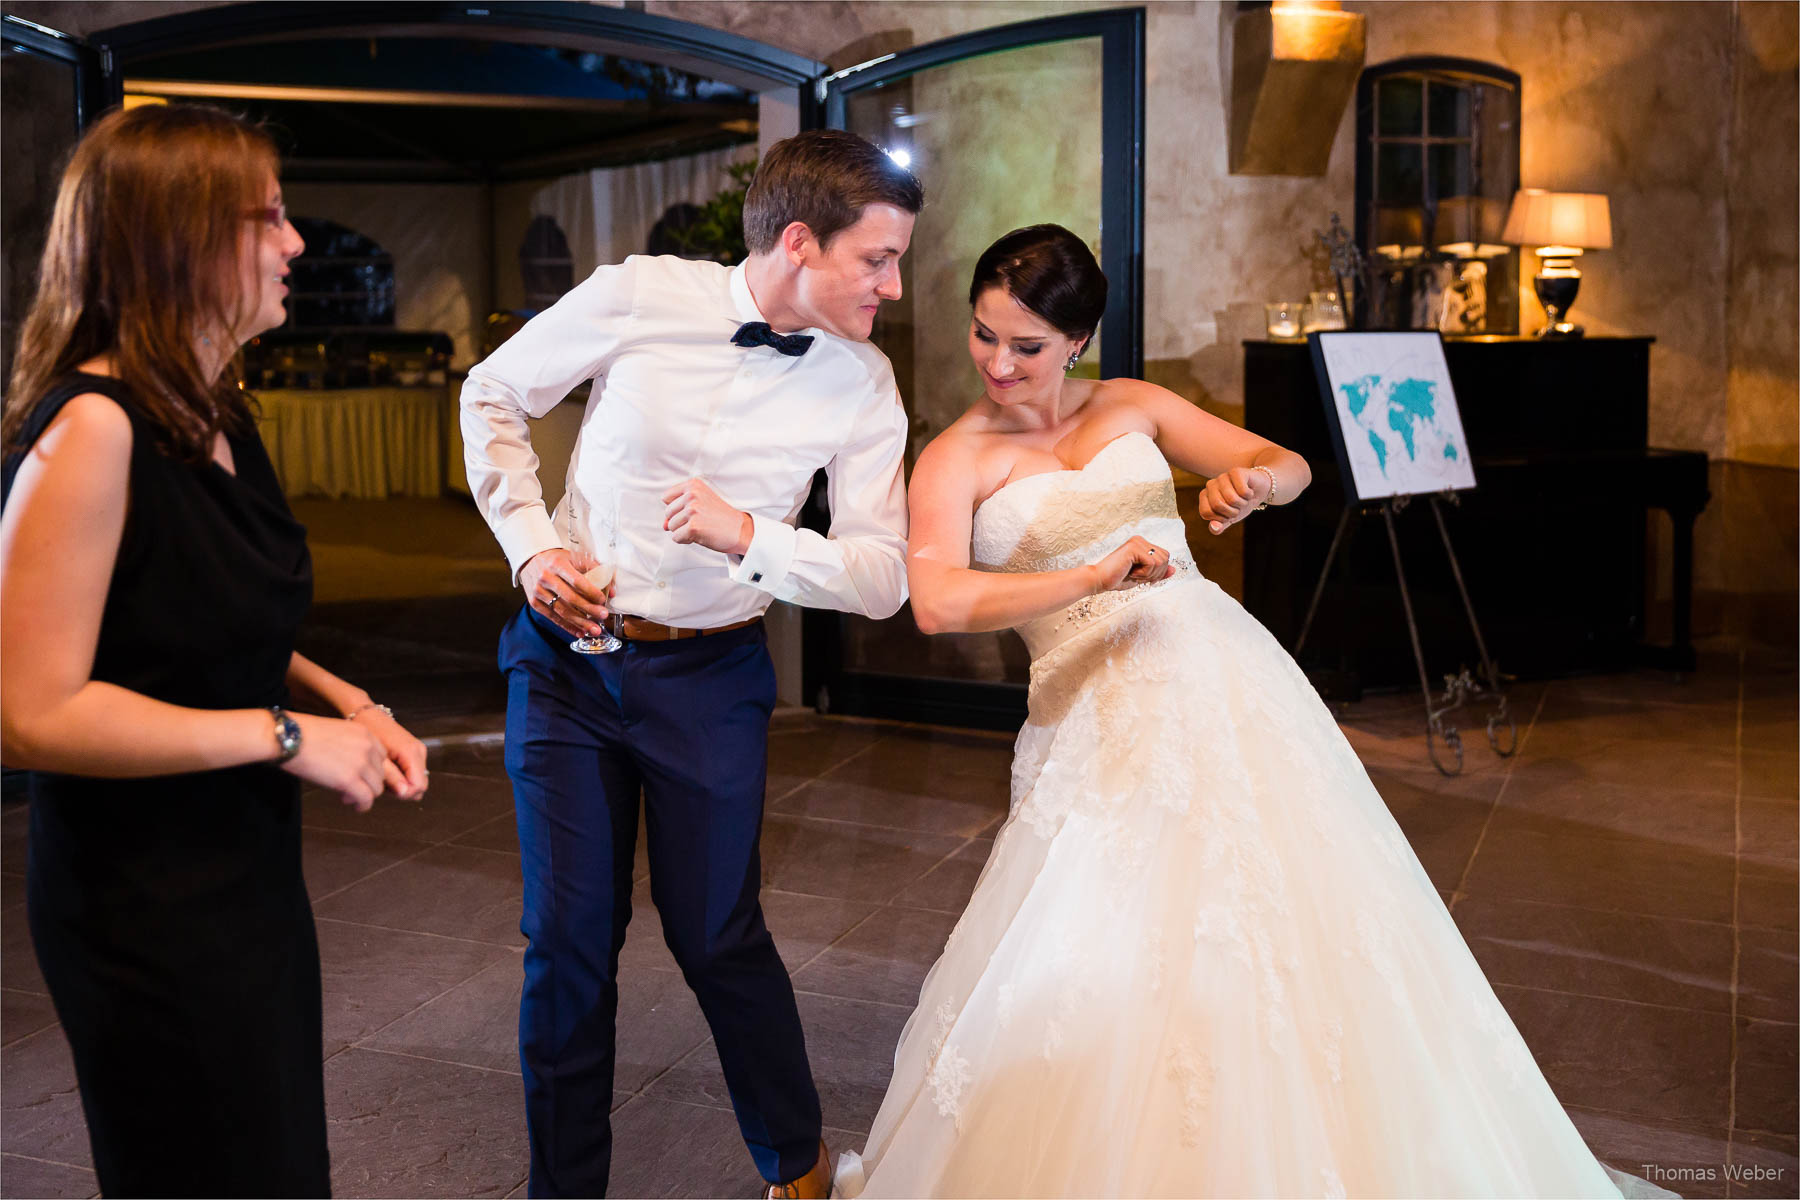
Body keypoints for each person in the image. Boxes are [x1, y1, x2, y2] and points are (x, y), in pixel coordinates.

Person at [835, 225, 1671, 1198]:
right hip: (1093, 712)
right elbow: (937, 603)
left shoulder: (1132, 403)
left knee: (1282, 910)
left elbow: (1290, 462)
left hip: (1223, 676)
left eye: (1027, 345)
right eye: (985, 336)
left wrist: (1255, 484)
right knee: (1104, 934)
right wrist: (1091, 574)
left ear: (1081, 339)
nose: (1000, 364)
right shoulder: (957, 456)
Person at [459, 130, 921, 1199]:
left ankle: (795, 1165)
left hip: (711, 676)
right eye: (878, 260)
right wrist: (530, 547)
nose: (893, 287)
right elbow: (492, 392)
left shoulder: (864, 382)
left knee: (717, 934)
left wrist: (748, 537)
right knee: (568, 944)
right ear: (800, 241)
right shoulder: (637, 295)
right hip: (566, 664)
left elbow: (881, 576)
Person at [0, 104, 429, 1196]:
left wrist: (349, 701)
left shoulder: (215, 408)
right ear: (177, 239)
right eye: (270, 217)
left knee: (278, 1159)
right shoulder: (92, 429)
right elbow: (29, 713)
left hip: (243, 870)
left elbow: (211, 615)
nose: (296, 242)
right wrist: (287, 738)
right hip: (142, 897)